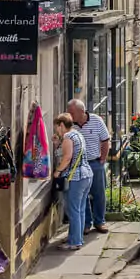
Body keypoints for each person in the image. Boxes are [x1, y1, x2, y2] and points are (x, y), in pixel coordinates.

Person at [68, 99, 110, 234]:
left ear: (81, 111)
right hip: (78, 165)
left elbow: (105, 141)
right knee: (82, 196)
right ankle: (86, 223)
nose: (70, 114)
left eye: (72, 112)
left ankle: (100, 221)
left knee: (99, 194)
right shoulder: (71, 125)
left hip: (95, 162)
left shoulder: (96, 121)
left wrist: (102, 159)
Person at [53, 113, 93, 251]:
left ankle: (75, 242)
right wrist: (57, 143)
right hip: (86, 175)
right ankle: (76, 238)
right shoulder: (77, 134)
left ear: (62, 125)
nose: (56, 130)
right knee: (80, 209)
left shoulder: (68, 137)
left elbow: (67, 157)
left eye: (57, 127)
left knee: (73, 210)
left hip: (75, 178)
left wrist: (57, 171)